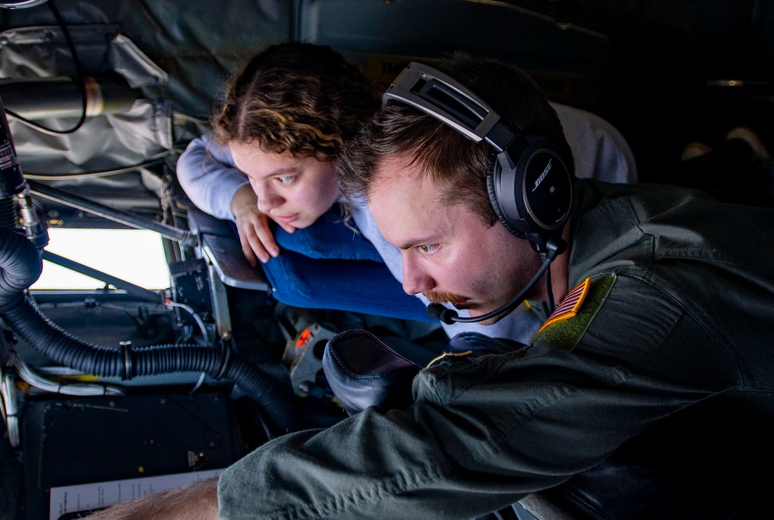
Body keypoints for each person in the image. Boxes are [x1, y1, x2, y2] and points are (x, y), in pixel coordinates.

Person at [0, 52, 774, 520]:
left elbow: (437, 453)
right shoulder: (581, 245)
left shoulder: (649, 297)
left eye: (427, 248)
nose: (408, 286)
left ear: (531, 196)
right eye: (395, 250)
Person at [176, 41, 638, 341]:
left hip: (591, 181)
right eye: (251, 177)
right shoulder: (284, 146)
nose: (265, 201)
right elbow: (194, 158)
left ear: (337, 143)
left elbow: (500, 327)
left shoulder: (396, 199)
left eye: (283, 177)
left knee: (295, 274)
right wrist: (235, 199)